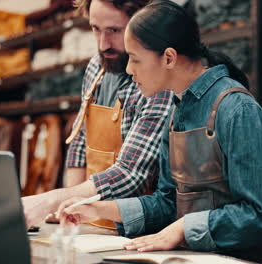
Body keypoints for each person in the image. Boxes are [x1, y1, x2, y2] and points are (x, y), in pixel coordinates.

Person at [57, 1, 262, 262]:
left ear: (168, 58)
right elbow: (168, 203)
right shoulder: (178, 110)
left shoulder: (237, 110)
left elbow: (260, 214)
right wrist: (101, 210)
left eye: (135, 59)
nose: (129, 70)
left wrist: (183, 228)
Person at [21, 0, 173, 229]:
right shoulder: (96, 67)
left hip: (135, 230)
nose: (103, 44)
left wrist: (49, 200)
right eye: (95, 29)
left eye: (114, 30)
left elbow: (131, 173)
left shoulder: (158, 79)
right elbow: (80, 143)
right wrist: (67, 208)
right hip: (88, 224)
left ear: (142, 23)